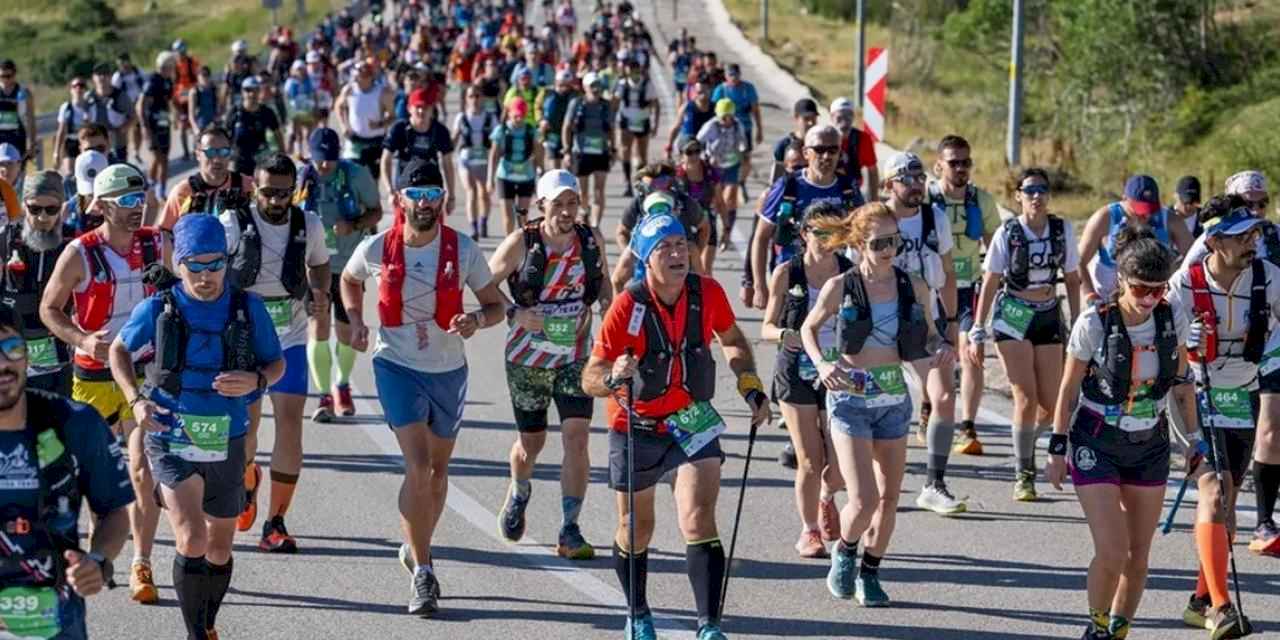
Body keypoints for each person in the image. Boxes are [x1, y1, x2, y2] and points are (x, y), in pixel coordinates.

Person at [583, 211, 770, 640]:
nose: (677, 253)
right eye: (665, 247)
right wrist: (614, 376)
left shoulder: (706, 293)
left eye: (682, 244)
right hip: (638, 425)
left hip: (692, 419)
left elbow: (734, 339)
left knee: (699, 519)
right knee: (637, 527)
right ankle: (638, 613)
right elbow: (590, 377)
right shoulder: (627, 306)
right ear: (647, 259)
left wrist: (750, 385)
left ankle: (709, 625)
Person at [341, 159, 505, 616]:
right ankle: (425, 573)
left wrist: (474, 320)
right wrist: (355, 319)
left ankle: (415, 544)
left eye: (433, 194)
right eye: (416, 195)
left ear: (443, 200)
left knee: (436, 472)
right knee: (416, 466)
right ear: (399, 200)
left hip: (448, 369)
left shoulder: (462, 248)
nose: (425, 203)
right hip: (395, 364)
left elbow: (496, 307)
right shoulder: (377, 247)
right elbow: (348, 279)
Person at [111, 213, 285, 640]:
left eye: (215, 265)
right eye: (195, 266)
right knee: (190, 538)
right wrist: (135, 401)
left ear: (227, 261)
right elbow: (118, 352)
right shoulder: (158, 306)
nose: (206, 276)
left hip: (227, 433)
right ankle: (194, 635)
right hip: (170, 430)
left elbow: (276, 363)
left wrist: (257, 380)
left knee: (221, 545)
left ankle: (206, 624)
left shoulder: (248, 308)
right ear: (179, 263)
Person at [1046, 226, 1199, 640]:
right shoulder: (1095, 321)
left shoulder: (1172, 315)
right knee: (1112, 551)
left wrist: (1195, 440)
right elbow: (1068, 386)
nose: (1150, 299)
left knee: (1138, 556)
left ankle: (1118, 630)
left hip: (1150, 444)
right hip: (1096, 440)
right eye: (1141, 289)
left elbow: (1183, 382)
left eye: (1158, 289)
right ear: (1121, 282)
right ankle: (1095, 627)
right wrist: (1057, 447)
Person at [802, 201, 953, 606]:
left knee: (889, 499)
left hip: (892, 400)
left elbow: (933, 335)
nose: (889, 250)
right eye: (879, 243)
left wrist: (942, 350)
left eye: (895, 241)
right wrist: (822, 363)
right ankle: (846, 551)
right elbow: (808, 329)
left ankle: (870, 571)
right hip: (850, 400)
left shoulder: (913, 285)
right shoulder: (841, 286)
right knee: (864, 498)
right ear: (858, 243)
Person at [40, 163, 168, 605]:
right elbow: (49, 309)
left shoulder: (158, 243)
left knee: (141, 470)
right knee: (89, 475)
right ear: (105, 205)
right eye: (129, 201)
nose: (139, 209)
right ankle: (94, 552)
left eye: (143, 198)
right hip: (93, 376)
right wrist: (82, 339)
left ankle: (142, 563)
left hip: (143, 371)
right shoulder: (79, 253)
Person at [486, 169, 612, 559]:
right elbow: (482, 284)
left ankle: (569, 528)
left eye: (572, 202)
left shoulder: (591, 239)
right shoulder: (521, 243)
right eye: (558, 204)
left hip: (576, 356)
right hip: (528, 359)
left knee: (577, 437)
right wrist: (514, 313)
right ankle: (520, 489)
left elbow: (604, 281)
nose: (566, 211)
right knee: (532, 444)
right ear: (542, 207)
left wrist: (610, 307)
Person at [1166, 204, 1273, 637]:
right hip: (1195, 392)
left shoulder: (1268, 277)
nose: (1252, 242)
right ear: (1214, 242)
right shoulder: (1185, 286)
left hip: (1242, 392)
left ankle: (1201, 599)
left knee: (1227, 496)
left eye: (1254, 234)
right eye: (1242, 236)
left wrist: (1271, 355)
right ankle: (1223, 608)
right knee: (1212, 487)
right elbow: (1157, 338)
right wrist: (1182, 345)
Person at [0, 304, 134, 640]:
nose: (3, 364)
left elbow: (114, 511)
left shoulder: (76, 423)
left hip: (57, 625)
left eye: (12, 348)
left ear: (27, 356)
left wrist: (99, 561)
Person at [217, 153, 330, 552]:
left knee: (290, 422)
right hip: (244, 341)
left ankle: (275, 522)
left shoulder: (308, 223)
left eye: (285, 193)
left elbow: (319, 264)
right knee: (247, 430)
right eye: (268, 192)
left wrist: (320, 292)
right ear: (255, 188)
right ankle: (248, 477)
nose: (277, 201)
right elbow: (209, 270)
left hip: (291, 336)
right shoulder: (234, 223)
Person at [967, 168, 1080, 501]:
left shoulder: (1062, 230)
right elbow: (990, 281)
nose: (1036, 196)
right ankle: (1024, 473)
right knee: (1025, 397)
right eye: (1029, 190)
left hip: (1047, 313)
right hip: (1013, 314)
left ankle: (1025, 445)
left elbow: (1072, 279)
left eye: (1042, 190)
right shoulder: (1009, 232)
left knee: (1053, 403)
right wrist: (978, 327)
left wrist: (1076, 327)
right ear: (1018, 196)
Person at [875, 151, 965, 514]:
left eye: (919, 178)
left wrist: (954, 321)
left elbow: (947, 271)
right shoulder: (875, 220)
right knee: (878, 401)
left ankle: (934, 483)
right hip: (879, 323)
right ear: (888, 184)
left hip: (925, 322)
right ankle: (871, 480)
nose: (915, 185)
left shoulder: (935, 217)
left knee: (943, 397)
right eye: (906, 178)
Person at [761, 201, 851, 558]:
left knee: (841, 463)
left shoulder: (850, 273)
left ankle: (827, 496)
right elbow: (767, 326)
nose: (828, 239)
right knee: (810, 460)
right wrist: (785, 335)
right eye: (820, 231)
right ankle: (809, 531)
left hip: (838, 371)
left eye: (835, 232)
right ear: (804, 234)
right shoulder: (787, 272)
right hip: (796, 370)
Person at [295, 128, 382, 421]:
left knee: (346, 332)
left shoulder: (357, 175)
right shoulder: (301, 178)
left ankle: (342, 385)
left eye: (330, 160)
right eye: (320, 160)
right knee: (317, 327)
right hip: (313, 267)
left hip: (348, 269)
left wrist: (354, 224)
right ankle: (324, 395)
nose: (324, 166)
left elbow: (376, 212)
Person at [926, 135, 1002, 455]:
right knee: (932, 354)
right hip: (933, 288)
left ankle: (967, 426)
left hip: (968, 287)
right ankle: (927, 407)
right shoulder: (927, 201)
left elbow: (996, 251)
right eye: (953, 162)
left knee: (973, 350)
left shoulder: (982, 201)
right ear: (939, 165)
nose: (960, 168)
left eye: (965, 162)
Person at [750, 125, 864, 310]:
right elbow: (761, 237)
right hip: (793, 279)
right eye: (819, 150)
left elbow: (863, 235)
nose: (826, 156)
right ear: (806, 153)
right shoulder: (788, 186)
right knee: (790, 336)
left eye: (832, 150)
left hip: (836, 279)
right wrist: (759, 285)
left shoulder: (848, 188)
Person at [3, 171, 74, 396]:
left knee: (57, 423)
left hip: (61, 353)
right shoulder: (5, 239)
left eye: (51, 210)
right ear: (24, 206)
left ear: (61, 207)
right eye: (35, 209)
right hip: (14, 352)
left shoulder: (75, 243)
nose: (43, 217)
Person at [1079, 175, 1193, 303]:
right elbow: (1078, 262)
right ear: (1124, 199)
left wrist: (1175, 282)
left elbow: (1194, 258)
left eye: (1151, 209)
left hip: (1154, 299)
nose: (1147, 215)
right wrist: (1090, 295)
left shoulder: (1171, 221)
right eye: (1140, 209)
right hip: (1108, 300)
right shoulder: (1104, 219)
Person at [611, 162, 709, 293]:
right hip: (648, 267)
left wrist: (692, 253)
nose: (658, 194)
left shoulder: (685, 203)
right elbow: (622, 231)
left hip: (680, 266)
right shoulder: (638, 204)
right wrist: (633, 254)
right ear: (643, 190)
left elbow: (704, 227)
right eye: (652, 188)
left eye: (663, 187)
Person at [161, 125, 255, 231]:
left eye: (224, 152)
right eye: (210, 152)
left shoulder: (247, 186)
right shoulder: (182, 192)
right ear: (198, 155)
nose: (217, 159)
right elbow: (164, 234)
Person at [380, 88, 457, 198]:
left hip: (432, 190)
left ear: (432, 109)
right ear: (409, 108)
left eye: (425, 107)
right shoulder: (399, 128)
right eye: (418, 107)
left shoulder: (440, 130)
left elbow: (448, 163)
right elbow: (386, 160)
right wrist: (390, 190)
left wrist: (451, 196)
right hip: (405, 189)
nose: (421, 111)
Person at [563, 72, 613, 227]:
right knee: (582, 192)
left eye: (598, 85)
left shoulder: (606, 105)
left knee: (599, 189)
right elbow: (566, 127)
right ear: (585, 87)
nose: (595, 89)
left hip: (601, 152)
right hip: (581, 152)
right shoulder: (576, 103)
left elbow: (611, 129)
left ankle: (595, 225)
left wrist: (614, 148)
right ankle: (585, 211)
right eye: (592, 86)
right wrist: (566, 151)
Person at [696, 99, 747, 249]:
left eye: (729, 116)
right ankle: (712, 228)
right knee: (715, 201)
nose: (726, 120)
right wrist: (705, 157)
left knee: (730, 198)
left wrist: (743, 150)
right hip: (714, 167)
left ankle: (727, 233)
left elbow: (743, 142)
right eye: (723, 117)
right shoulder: (711, 126)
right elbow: (698, 141)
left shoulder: (738, 126)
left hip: (731, 165)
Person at [488, 98, 544, 235]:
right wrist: (489, 179)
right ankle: (510, 243)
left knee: (522, 216)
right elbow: (493, 155)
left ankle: (523, 244)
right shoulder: (501, 130)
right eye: (515, 116)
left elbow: (539, 152)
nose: (518, 119)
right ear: (509, 114)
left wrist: (540, 172)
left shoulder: (531, 130)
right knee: (508, 217)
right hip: (505, 176)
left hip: (526, 176)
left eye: (521, 116)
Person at [453, 86, 498, 239]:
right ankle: (473, 228)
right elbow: (454, 139)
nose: (475, 99)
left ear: (482, 98)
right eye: (471, 96)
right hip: (466, 159)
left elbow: (496, 141)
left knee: (484, 194)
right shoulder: (461, 117)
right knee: (471, 192)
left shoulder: (490, 117)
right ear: (466, 99)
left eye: (477, 96)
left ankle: (483, 221)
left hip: (484, 159)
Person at [675, 138, 724, 274]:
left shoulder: (710, 172)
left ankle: (707, 295)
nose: (694, 156)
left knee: (704, 270)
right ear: (681, 155)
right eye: (689, 152)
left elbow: (720, 202)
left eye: (697, 151)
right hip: (684, 227)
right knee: (685, 270)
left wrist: (726, 228)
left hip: (707, 224)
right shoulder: (674, 176)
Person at [710, 64, 762, 187]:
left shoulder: (748, 89)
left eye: (736, 75)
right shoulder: (720, 90)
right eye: (730, 75)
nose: (734, 78)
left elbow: (755, 110)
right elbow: (713, 111)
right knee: (724, 158)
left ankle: (741, 181)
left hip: (744, 128)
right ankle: (722, 182)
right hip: (724, 130)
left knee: (746, 158)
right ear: (725, 76)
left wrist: (759, 129)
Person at [613, 58, 658, 197]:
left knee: (642, 155)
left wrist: (655, 123)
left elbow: (656, 104)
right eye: (631, 71)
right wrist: (612, 120)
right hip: (626, 121)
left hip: (642, 120)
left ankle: (641, 183)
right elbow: (614, 102)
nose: (634, 73)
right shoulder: (622, 84)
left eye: (636, 70)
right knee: (625, 150)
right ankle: (627, 183)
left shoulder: (647, 84)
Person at [224, 77, 284, 178]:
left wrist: (282, 155)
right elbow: (225, 135)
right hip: (239, 160)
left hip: (261, 158)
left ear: (259, 91)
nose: (251, 94)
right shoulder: (234, 112)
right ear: (242, 92)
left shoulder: (267, 112)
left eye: (255, 89)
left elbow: (278, 134)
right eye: (248, 90)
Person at [139, 53, 178, 200]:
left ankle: (154, 187)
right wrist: (144, 126)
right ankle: (157, 190)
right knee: (160, 158)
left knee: (161, 158)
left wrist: (177, 114)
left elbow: (170, 101)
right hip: (152, 125)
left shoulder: (168, 81)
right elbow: (141, 104)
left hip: (164, 123)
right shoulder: (152, 81)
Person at [828, 97, 878, 198]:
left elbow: (872, 170)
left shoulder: (863, 139)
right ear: (831, 117)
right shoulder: (824, 137)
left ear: (853, 117)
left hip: (854, 190)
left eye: (848, 116)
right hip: (828, 188)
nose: (844, 122)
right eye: (839, 117)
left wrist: (874, 198)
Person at [87, 63, 134, 164]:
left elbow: (133, 116)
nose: (102, 77)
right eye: (99, 74)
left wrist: (123, 129)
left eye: (105, 74)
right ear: (93, 78)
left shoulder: (120, 96)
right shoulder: (88, 98)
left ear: (111, 76)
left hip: (117, 145)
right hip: (95, 147)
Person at [536, 69, 578, 171]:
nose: (563, 87)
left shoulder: (575, 94)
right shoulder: (546, 92)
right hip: (551, 132)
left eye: (566, 85)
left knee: (569, 163)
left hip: (569, 133)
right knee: (554, 163)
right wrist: (541, 120)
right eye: (561, 84)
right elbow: (537, 106)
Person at [771, 99, 819, 183]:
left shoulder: (820, 143)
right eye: (806, 119)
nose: (811, 123)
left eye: (813, 119)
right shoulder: (783, 145)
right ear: (796, 118)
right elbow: (776, 179)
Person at [665, 79, 714, 161]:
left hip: (706, 150)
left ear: (710, 90)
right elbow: (676, 128)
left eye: (704, 91)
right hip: (687, 150)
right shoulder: (687, 107)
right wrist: (668, 148)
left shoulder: (715, 108)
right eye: (699, 92)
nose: (702, 95)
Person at [0, 59, 37, 167]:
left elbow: (31, 119)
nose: (5, 80)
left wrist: (32, 143)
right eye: (1, 77)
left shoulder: (24, 93)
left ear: (14, 74)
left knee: (17, 171)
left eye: (8, 76)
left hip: (17, 136)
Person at [53, 77, 93, 175]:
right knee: (70, 173)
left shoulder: (91, 107)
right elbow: (61, 131)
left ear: (85, 90)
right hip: (71, 142)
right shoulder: (66, 107)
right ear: (71, 90)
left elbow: (95, 128)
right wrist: (56, 152)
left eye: (82, 86)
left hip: (86, 142)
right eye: (75, 86)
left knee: (85, 171)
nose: (78, 89)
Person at [283, 60, 320, 159]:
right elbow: (286, 96)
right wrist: (289, 110)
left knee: (309, 133)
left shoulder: (309, 80)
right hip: (296, 111)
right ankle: (299, 151)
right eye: (298, 69)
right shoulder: (290, 82)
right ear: (293, 70)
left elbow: (314, 94)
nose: (300, 71)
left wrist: (316, 107)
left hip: (308, 110)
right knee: (297, 133)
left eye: (301, 69)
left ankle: (309, 151)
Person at [171, 40, 202, 161]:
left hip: (193, 98)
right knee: (183, 127)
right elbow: (173, 84)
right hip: (180, 101)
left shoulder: (192, 62)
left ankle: (196, 150)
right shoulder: (174, 66)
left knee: (195, 124)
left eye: (182, 51)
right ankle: (185, 152)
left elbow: (198, 76)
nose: (181, 54)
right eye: (179, 51)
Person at [187, 67, 222, 136]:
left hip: (213, 125)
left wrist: (218, 118)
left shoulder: (215, 90)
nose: (205, 77)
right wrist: (195, 128)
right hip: (200, 126)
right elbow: (191, 115)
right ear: (198, 77)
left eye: (207, 75)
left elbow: (219, 108)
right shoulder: (194, 92)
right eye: (203, 75)